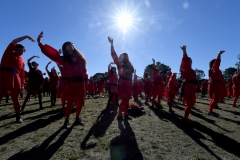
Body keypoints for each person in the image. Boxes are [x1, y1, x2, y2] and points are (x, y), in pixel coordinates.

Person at [38, 31, 87, 128]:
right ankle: (67, 120)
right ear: (65, 49)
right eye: (67, 45)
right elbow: (51, 54)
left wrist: (86, 80)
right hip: (70, 83)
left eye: (70, 44)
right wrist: (40, 43)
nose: (69, 46)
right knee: (70, 102)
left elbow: (84, 70)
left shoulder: (80, 58)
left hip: (81, 83)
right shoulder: (63, 59)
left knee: (80, 102)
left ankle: (77, 118)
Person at [0, 35, 35, 123]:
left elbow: (22, 74)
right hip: (3, 76)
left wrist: (22, 85)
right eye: (18, 49)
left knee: (16, 99)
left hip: (16, 79)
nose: (20, 51)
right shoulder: (8, 53)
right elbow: (14, 41)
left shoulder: (22, 60)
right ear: (15, 49)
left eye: (22, 50)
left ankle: (18, 116)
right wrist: (26, 36)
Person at [108, 36, 134, 120]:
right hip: (123, 83)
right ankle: (119, 115)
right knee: (124, 100)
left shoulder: (129, 65)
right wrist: (112, 44)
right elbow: (113, 54)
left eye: (124, 55)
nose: (122, 57)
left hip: (129, 83)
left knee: (127, 100)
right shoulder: (120, 64)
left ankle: (125, 114)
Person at [179, 45, 197, 123]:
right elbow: (185, 60)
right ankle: (185, 118)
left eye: (191, 61)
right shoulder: (186, 69)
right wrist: (184, 51)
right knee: (190, 103)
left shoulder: (189, 70)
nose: (190, 62)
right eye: (189, 61)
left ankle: (186, 117)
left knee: (191, 103)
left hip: (191, 87)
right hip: (189, 87)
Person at [208, 50, 225, 116]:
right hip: (216, 85)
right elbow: (217, 62)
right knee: (215, 99)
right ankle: (210, 112)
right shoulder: (214, 68)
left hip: (215, 84)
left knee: (214, 99)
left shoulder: (213, 69)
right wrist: (219, 55)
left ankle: (210, 110)